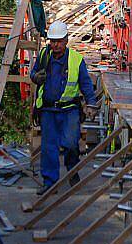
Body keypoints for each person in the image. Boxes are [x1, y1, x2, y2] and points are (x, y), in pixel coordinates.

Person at [30, 20, 98, 195]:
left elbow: (86, 83)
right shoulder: (45, 56)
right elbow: (34, 73)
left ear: (66, 40)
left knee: (70, 144)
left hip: (69, 111)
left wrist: (91, 103)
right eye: (53, 41)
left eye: (59, 41)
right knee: (49, 147)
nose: (56, 45)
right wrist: (35, 77)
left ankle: (72, 170)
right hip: (48, 110)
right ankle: (49, 182)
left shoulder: (76, 60)